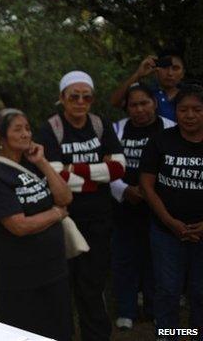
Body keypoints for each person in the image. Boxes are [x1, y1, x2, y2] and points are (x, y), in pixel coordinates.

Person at [36, 71, 126, 341]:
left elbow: (119, 168)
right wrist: (97, 176)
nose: (80, 102)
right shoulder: (51, 128)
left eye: (86, 96)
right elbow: (53, 175)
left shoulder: (100, 124)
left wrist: (72, 169)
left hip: (99, 220)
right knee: (62, 286)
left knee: (92, 286)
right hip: (64, 221)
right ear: (62, 98)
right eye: (74, 96)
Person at [0, 108, 74, 341]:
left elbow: (65, 197)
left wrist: (42, 162)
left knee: (61, 331)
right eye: (17, 129)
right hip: (23, 277)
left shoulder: (32, 163)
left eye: (28, 128)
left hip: (55, 268)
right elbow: (18, 226)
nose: (25, 134)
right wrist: (55, 214)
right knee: (26, 334)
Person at [139, 84, 203, 340]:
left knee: (201, 291)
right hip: (166, 232)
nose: (189, 115)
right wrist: (168, 220)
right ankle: (170, 335)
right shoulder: (161, 141)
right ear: (175, 112)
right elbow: (146, 183)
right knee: (168, 291)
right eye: (183, 109)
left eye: (197, 110)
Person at [109, 83, 176, 330]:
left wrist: (153, 193)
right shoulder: (116, 130)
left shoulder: (170, 128)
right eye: (134, 104)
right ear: (126, 107)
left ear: (155, 104)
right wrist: (124, 190)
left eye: (144, 103)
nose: (139, 109)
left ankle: (153, 309)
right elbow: (106, 166)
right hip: (124, 206)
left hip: (160, 207)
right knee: (125, 258)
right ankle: (126, 309)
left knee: (156, 259)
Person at [110, 49, 186, 122]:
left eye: (175, 68)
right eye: (165, 67)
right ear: (156, 69)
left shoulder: (189, 95)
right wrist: (138, 74)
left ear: (183, 73)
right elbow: (115, 102)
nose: (170, 73)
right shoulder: (146, 93)